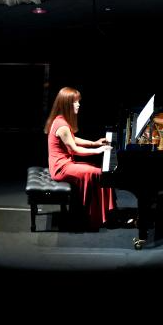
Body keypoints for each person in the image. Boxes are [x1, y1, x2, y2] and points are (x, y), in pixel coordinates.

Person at [44, 86, 115, 230]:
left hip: (64, 164)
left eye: (78, 101)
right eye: (75, 102)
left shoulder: (61, 120)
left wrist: (94, 143)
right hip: (60, 168)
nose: (78, 104)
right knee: (97, 173)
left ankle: (104, 213)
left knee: (98, 171)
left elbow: (73, 139)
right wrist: (98, 150)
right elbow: (74, 150)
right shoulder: (61, 125)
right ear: (66, 104)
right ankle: (97, 215)